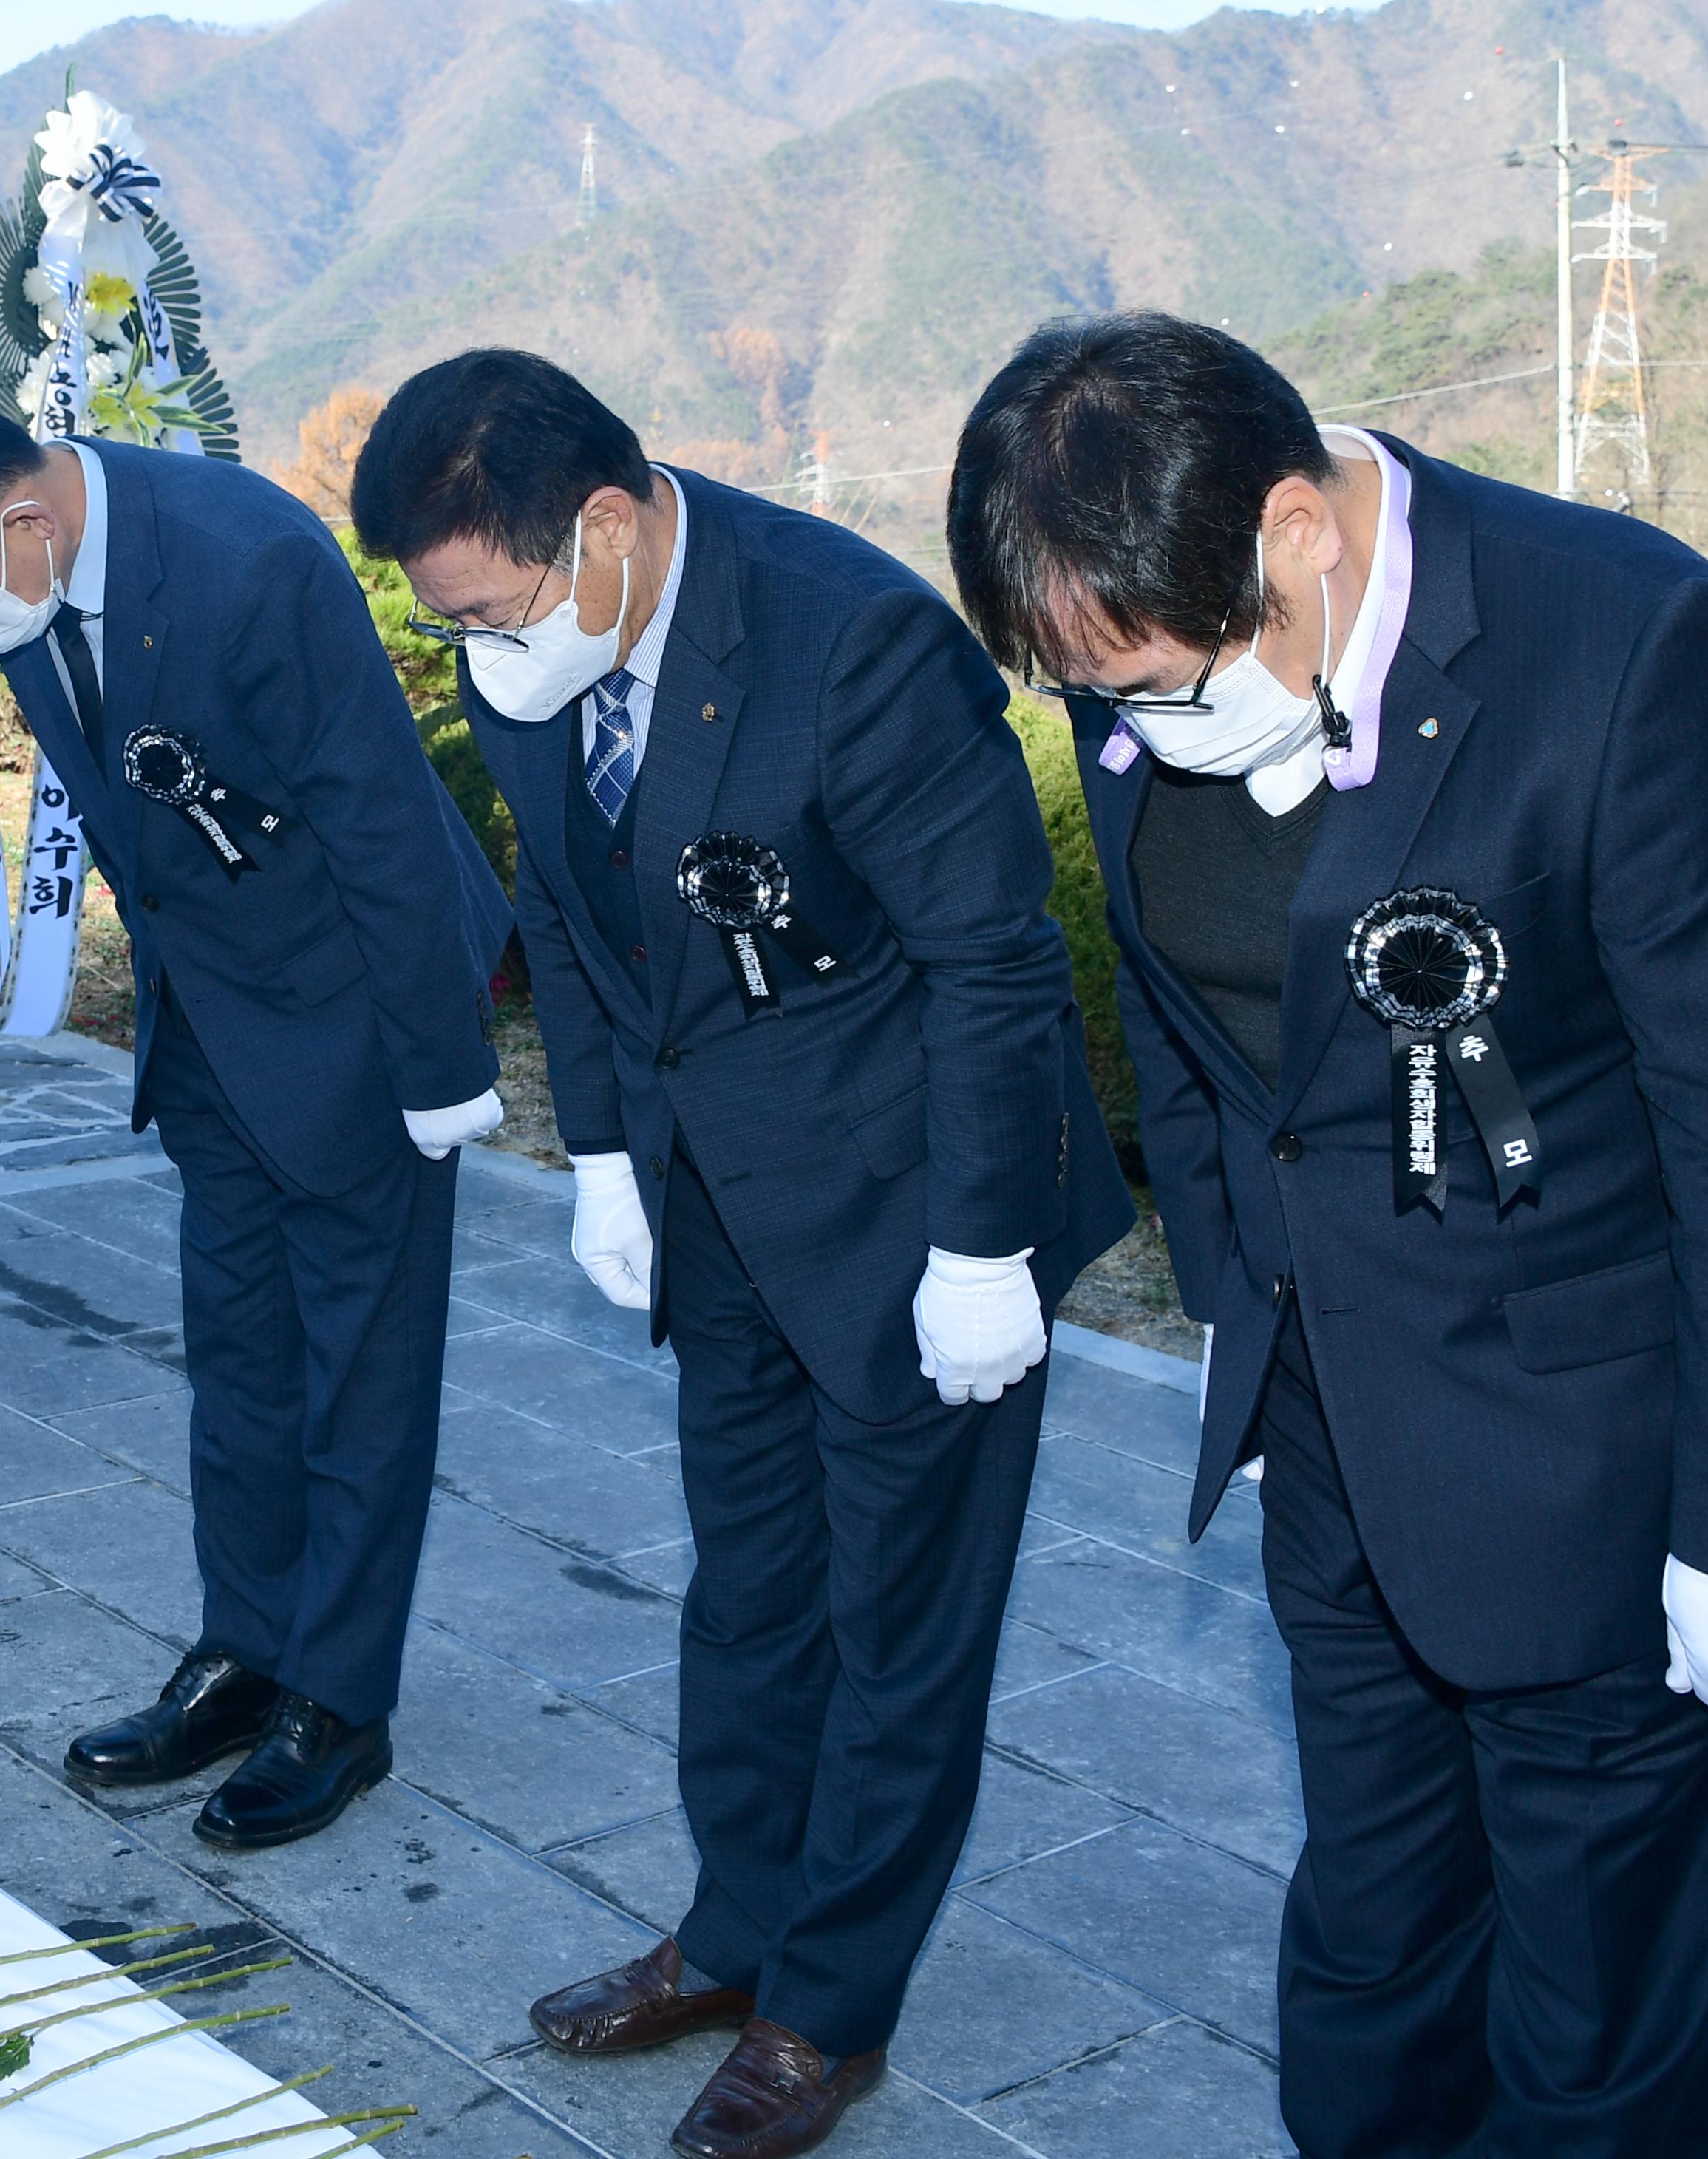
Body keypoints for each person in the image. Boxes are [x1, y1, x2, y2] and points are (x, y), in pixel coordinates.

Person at [944, 311, 1708, 2158]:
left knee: (1595, 2017)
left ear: (1298, 531)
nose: (1132, 725)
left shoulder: (1635, 649)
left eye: (1158, 681)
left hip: (1600, 1484)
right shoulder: (1140, 638)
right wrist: (1236, 1314)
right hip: (1336, 1452)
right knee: (1371, 1948)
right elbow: (1202, 1043)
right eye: (1096, 692)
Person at [355, 351, 1129, 2159]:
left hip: (910, 1203)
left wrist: (983, 1244)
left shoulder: (849, 642)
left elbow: (996, 965)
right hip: (716, 1192)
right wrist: (608, 1149)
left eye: (487, 599)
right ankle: (736, 1925)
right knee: (751, 1590)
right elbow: (567, 905)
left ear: (607, 528)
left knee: (899, 1626)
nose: (476, 644)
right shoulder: (537, 651)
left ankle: (825, 2008)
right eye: (445, 613)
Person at [0, 390, 510, 1848]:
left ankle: (339, 1697)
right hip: (215, 1012)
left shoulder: (251, 559)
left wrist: (439, 1063)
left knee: (360, 1372)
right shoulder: (33, 575)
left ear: (19, 519)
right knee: (243, 1357)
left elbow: (380, 816)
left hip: (360, 996)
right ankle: (248, 1651)